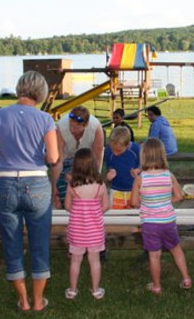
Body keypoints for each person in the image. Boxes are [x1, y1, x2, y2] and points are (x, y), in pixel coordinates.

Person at [0, 71, 58, 312]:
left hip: (6, 183)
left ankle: (23, 300)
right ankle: (37, 301)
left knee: (11, 242)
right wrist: (39, 156)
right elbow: (53, 157)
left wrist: (1, 153)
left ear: (19, 88)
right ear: (41, 93)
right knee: (39, 243)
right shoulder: (45, 118)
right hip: (36, 183)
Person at [131, 138, 192, 296]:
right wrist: (165, 202)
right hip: (168, 221)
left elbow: (134, 202)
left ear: (143, 156)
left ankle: (156, 286)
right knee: (176, 249)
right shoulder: (168, 175)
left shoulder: (140, 178)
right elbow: (179, 197)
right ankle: (186, 279)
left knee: (154, 255)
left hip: (150, 224)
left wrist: (148, 203)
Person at [64, 148, 110, 301]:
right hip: (95, 230)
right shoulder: (100, 185)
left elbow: (68, 206)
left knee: (75, 260)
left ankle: (72, 290)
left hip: (77, 230)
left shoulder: (72, 185)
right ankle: (96, 291)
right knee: (94, 260)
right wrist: (94, 211)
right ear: (93, 164)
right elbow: (106, 206)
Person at [52, 106, 104, 208]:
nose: (72, 130)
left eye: (76, 128)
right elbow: (58, 160)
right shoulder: (61, 127)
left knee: (85, 189)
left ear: (86, 125)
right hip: (67, 159)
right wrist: (55, 188)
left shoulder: (96, 128)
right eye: (71, 126)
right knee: (63, 186)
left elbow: (97, 159)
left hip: (87, 161)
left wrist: (95, 185)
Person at [104, 126, 141, 209]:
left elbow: (143, 165)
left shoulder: (136, 149)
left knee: (132, 214)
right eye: (113, 149)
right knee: (115, 214)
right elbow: (109, 165)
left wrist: (137, 170)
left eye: (119, 151)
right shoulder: (108, 150)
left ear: (127, 145)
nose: (115, 153)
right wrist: (110, 171)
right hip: (115, 189)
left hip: (133, 189)